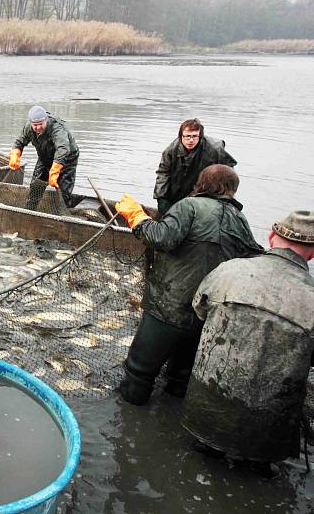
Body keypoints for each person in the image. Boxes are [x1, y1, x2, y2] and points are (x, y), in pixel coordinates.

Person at [114, 165, 263, 406]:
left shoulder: (189, 206)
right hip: (204, 316)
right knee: (181, 379)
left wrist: (137, 216)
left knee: (138, 373)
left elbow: (160, 238)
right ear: (232, 191)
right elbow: (251, 259)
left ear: (201, 184)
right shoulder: (240, 220)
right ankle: (166, 421)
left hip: (167, 309)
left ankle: (128, 416)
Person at [182, 211, 314, 468]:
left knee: (199, 461)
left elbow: (199, 309)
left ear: (272, 237)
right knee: (255, 471)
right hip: (265, 429)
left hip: (205, 411)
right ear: (312, 253)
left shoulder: (229, 270)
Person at [154, 118, 237, 216]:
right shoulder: (171, 150)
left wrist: (219, 193)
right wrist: (161, 197)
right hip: (178, 187)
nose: (191, 140)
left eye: (194, 136)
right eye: (187, 136)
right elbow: (163, 172)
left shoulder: (215, 149)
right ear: (181, 136)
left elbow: (229, 171)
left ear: (200, 136)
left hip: (204, 191)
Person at [9, 105, 80, 209]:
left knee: (62, 190)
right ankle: (30, 209)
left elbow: (63, 149)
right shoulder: (29, 127)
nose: (37, 128)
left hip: (67, 159)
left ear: (46, 120)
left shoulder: (57, 129)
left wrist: (55, 171)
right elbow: (19, 142)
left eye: (40, 124)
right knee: (36, 185)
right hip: (45, 156)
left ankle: (64, 211)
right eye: (35, 125)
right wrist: (15, 154)